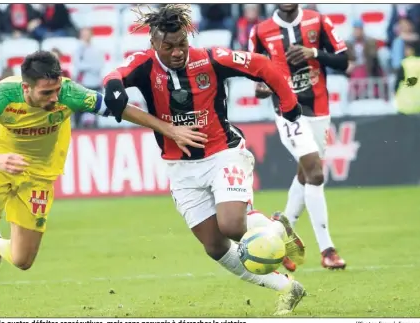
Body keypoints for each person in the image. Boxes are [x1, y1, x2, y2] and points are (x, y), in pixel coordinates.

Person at [0, 50, 207, 318]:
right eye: (46, 93)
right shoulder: (1, 96)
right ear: (25, 87)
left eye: (57, 90)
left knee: (22, 260)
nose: (55, 98)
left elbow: (122, 109)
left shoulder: (70, 93)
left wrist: (169, 129)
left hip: (38, 175)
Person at [103, 5, 306, 316]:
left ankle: (276, 232)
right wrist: (114, 87)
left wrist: (289, 104)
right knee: (214, 247)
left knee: (232, 226)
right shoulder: (144, 66)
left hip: (222, 153)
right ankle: (287, 286)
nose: (176, 52)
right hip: (180, 167)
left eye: (181, 44)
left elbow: (263, 65)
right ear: (154, 44)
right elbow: (114, 76)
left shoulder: (211, 58)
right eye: (168, 46)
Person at [249, 4, 349, 271]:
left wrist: (314, 52)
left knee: (305, 174)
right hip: (287, 111)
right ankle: (327, 249)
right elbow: (253, 71)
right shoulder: (260, 31)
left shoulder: (319, 21)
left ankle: (279, 231)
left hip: (319, 109)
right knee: (315, 174)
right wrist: (260, 86)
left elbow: (343, 60)